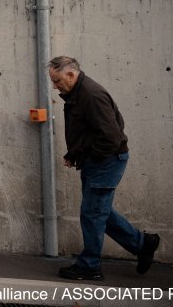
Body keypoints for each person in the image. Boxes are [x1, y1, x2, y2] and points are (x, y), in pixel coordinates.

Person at [48, 56, 159, 280]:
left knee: (92, 214)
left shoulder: (91, 95)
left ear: (71, 74)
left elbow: (112, 137)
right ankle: (143, 244)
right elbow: (88, 131)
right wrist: (75, 154)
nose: (55, 86)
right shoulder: (78, 93)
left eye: (57, 80)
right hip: (98, 161)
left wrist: (93, 158)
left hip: (105, 161)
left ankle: (90, 265)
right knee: (99, 211)